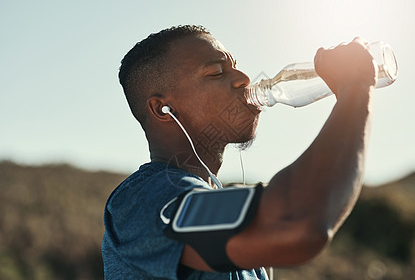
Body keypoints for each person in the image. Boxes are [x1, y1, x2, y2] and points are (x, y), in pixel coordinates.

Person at [102, 25, 377, 279]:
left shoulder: (227, 205)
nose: (244, 79)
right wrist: (355, 87)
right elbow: (297, 222)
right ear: (162, 108)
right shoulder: (144, 199)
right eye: (216, 72)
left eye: (235, 66)